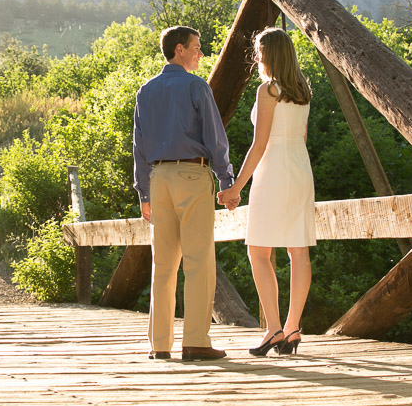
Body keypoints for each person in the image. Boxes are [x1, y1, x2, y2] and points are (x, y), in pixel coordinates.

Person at [133, 25, 235, 361]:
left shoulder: (145, 91)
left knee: (162, 265)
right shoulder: (196, 86)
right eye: (197, 48)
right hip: (192, 175)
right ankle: (195, 342)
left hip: (158, 178)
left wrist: (143, 193)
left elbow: (139, 146)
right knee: (198, 262)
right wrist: (226, 182)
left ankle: (159, 346)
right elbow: (215, 139)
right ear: (180, 49)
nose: (200, 54)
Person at [219, 27, 315, 356]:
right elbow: (301, 138)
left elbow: (259, 145)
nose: (256, 56)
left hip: (273, 171)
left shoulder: (268, 90)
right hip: (300, 170)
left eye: (259, 50)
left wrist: (235, 188)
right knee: (298, 252)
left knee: (258, 252)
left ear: (271, 53)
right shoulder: (303, 89)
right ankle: (293, 329)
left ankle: (273, 329)